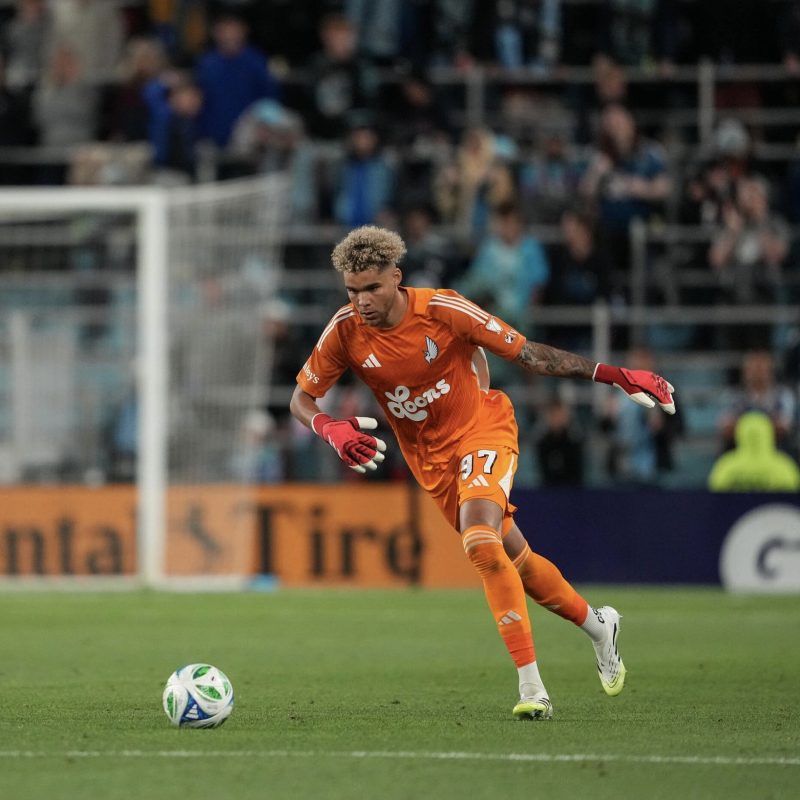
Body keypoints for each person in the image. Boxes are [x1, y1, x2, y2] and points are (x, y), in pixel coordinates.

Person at [290, 225, 676, 719]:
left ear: (396, 278)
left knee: (478, 539)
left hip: (484, 428)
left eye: (371, 288)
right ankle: (600, 627)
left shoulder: (445, 309)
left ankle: (533, 689)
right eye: (352, 290)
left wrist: (617, 376)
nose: (361, 301)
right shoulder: (345, 330)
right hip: (431, 463)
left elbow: (530, 354)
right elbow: (301, 399)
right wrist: (330, 430)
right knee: (516, 560)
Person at [708, 411, 800, 492]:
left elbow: (715, 495)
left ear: (739, 433)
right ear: (769, 433)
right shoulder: (784, 465)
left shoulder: (727, 465)